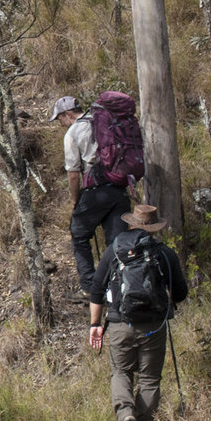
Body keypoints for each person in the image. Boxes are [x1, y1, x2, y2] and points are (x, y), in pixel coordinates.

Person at [87, 201, 188, 421]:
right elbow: (182, 293)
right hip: (154, 326)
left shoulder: (115, 250)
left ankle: (125, 415)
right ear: (153, 228)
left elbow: (97, 289)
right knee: (150, 379)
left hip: (121, 323)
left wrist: (95, 325)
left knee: (121, 372)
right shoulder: (164, 253)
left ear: (131, 223)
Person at [49, 95, 131, 304]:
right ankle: (120, 291)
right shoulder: (103, 121)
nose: (60, 123)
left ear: (68, 114)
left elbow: (74, 173)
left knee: (78, 234)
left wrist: (77, 201)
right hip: (120, 186)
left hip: (96, 189)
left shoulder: (73, 132)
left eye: (60, 119)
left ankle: (88, 287)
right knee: (117, 243)